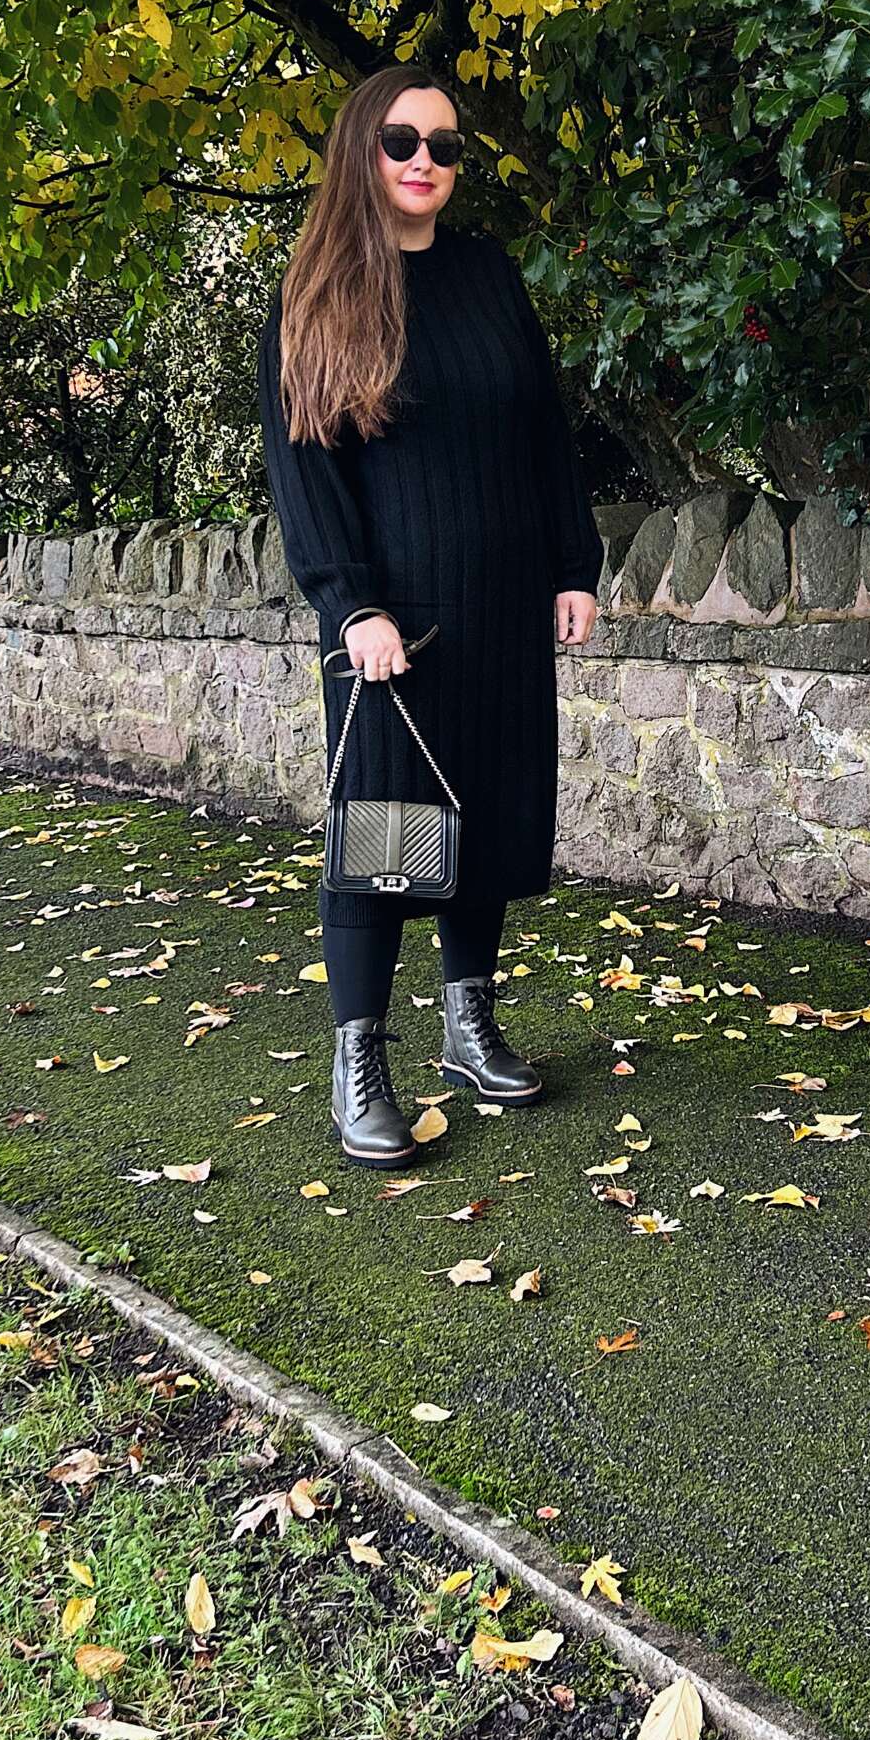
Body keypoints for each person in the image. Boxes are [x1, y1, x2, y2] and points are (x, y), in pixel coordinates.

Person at [256, 64, 603, 1166]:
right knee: (381, 844)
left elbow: (544, 434)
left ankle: (468, 1024)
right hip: (392, 630)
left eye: (446, 145)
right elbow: (303, 469)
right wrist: (347, 602)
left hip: (502, 606)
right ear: (362, 148)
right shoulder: (317, 294)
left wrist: (571, 565)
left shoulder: (490, 276)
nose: (424, 160)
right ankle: (360, 1059)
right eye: (403, 139)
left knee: (484, 817)